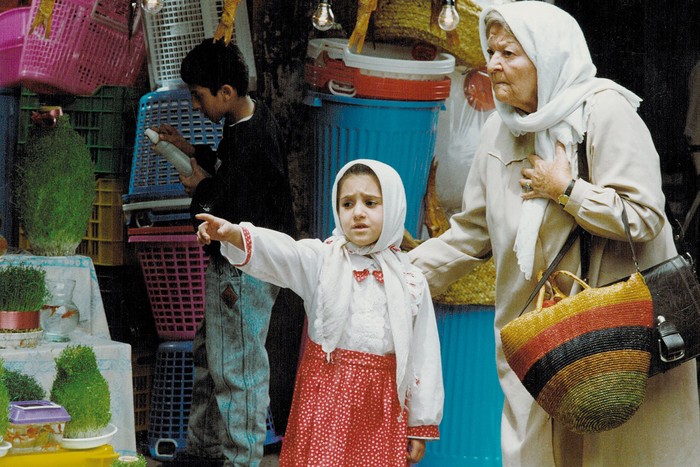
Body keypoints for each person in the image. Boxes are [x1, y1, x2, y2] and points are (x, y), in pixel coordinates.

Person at [407, 2, 700, 466]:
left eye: (509, 53)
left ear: (548, 55)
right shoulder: (499, 133)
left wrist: (566, 190)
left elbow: (644, 217)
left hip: (615, 345)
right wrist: (396, 274)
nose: (494, 64)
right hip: (544, 352)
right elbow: (471, 235)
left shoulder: (605, 114)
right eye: (491, 51)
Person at [195, 159, 444, 466]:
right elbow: (282, 251)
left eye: (371, 202)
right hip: (325, 400)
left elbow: (424, 356)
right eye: (347, 203)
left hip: (380, 409)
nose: (358, 213)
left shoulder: (410, 280)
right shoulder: (322, 259)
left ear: (392, 207)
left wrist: (419, 424)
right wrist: (232, 234)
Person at [152, 39, 297, 466]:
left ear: (226, 92)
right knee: (213, 358)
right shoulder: (252, 122)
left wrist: (200, 192)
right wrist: (192, 150)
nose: (197, 105)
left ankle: (240, 459)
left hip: (242, 271)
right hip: (244, 267)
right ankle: (205, 451)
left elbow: (228, 205)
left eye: (199, 96)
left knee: (236, 369)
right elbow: (231, 176)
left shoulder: (249, 139)